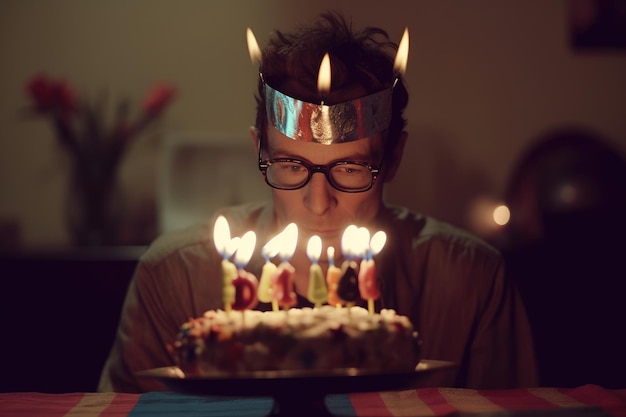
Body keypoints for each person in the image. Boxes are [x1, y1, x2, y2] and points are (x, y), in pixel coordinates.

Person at [98, 11, 538, 393]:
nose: (319, 201)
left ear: (394, 158)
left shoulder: (470, 280)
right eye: (292, 166)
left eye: (349, 169)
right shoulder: (175, 278)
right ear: (259, 152)